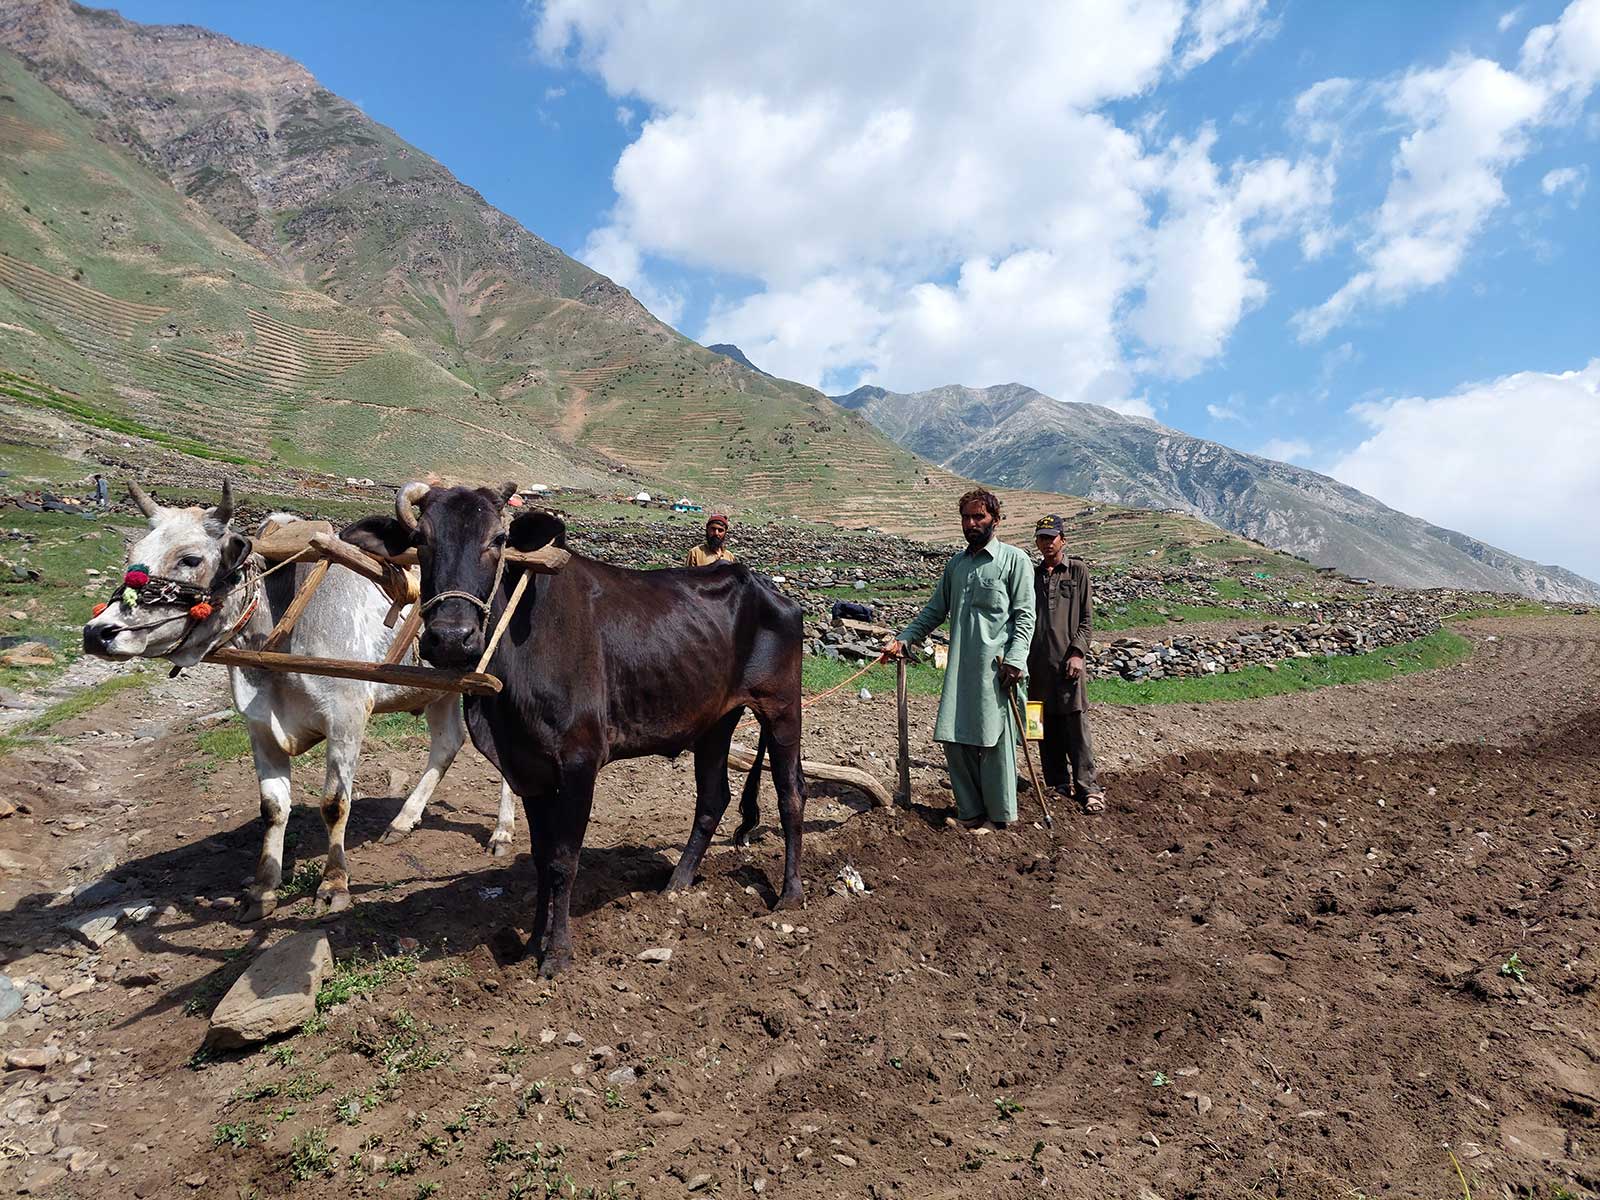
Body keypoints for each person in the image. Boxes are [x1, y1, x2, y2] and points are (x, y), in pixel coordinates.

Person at [884, 489, 1035, 832]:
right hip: (960, 669)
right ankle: (970, 812)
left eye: (978, 517)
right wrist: (905, 639)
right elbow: (935, 611)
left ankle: (1000, 818)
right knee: (954, 737)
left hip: (998, 669)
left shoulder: (1015, 561)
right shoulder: (957, 565)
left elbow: (1026, 617)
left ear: (995, 519)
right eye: (966, 517)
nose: (971, 523)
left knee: (994, 742)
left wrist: (1015, 658)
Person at [1026, 514, 1105, 814]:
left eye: (1052, 537)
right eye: (1042, 537)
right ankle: (1057, 783)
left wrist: (1078, 653)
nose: (1047, 542)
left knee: (1076, 725)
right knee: (1041, 727)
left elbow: (1086, 621)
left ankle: (1088, 787)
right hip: (1036, 665)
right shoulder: (1030, 576)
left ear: (1063, 539)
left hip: (1068, 663)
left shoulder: (1077, 571)